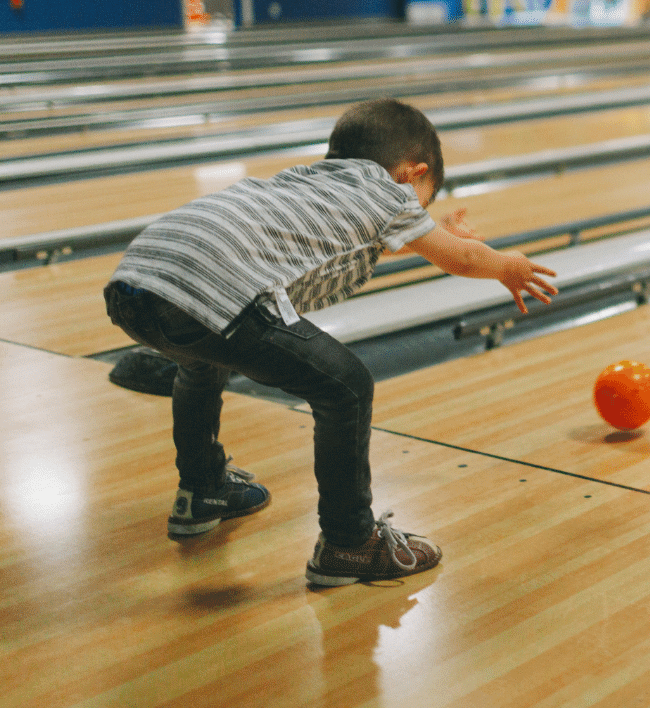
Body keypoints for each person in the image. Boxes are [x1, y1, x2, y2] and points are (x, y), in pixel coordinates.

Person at [104, 97, 557, 586]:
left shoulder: (309, 180)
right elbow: (460, 261)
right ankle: (349, 544)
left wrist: (441, 233)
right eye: (424, 204)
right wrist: (506, 266)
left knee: (199, 365)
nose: (418, 217)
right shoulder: (392, 194)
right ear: (411, 173)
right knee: (346, 386)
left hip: (139, 281)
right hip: (215, 286)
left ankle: (201, 490)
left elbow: (368, 238)